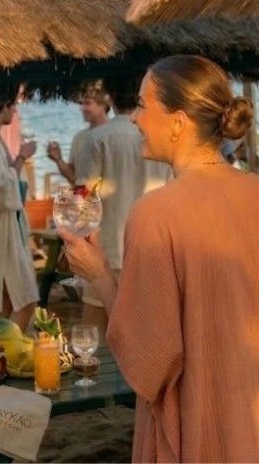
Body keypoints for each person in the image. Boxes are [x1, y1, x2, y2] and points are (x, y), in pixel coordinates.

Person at [62, 55, 259, 462]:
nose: (136, 118)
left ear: (178, 122)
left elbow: (152, 361)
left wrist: (98, 274)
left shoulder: (156, 214)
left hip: (206, 432)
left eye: (143, 105)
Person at [73, 77, 170, 329]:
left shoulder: (96, 139)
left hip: (108, 247)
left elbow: (83, 196)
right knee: (144, 327)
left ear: (110, 98)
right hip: (151, 247)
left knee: (95, 324)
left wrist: (77, 240)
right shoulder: (161, 139)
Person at [0, 83, 41, 332]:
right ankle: (7, 348)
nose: (15, 112)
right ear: (4, 106)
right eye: (14, 106)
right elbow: (0, 187)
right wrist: (22, 157)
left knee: (12, 300)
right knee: (22, 299)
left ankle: (2, 351)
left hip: (7, 228)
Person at [46, 86, 110, 186]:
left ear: (103, 105)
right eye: (82, 104)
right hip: (87, 199)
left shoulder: (113, 135)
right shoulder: (79, 137)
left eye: (87, 103)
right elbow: (74, 177)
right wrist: (59, 160)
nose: (82, 108)